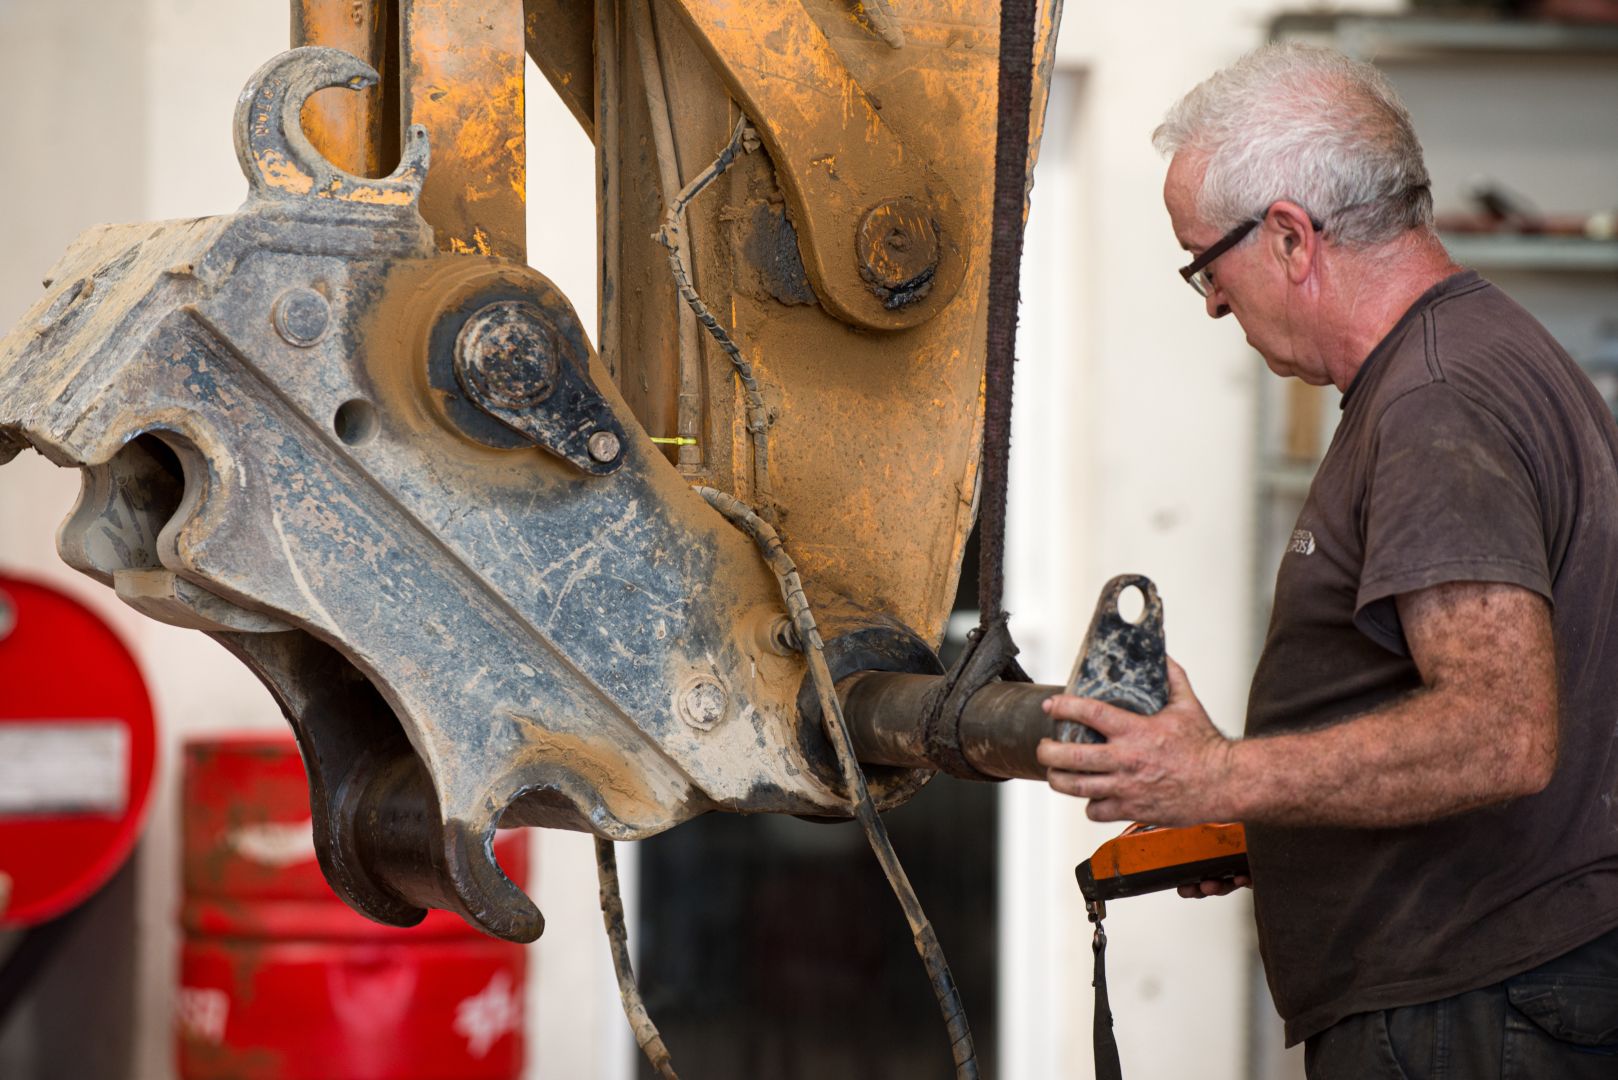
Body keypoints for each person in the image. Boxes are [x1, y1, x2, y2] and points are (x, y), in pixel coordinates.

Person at [1036, 43, 1618, 1079]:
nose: (1211, 304)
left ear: (1292, 238)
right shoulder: (1489, 357)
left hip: (1470, 1010)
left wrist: (1218, 771)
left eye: (1202, 265)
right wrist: (1267, 813)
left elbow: (1502, 735)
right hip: (1496, 994)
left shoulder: (1436, 400)